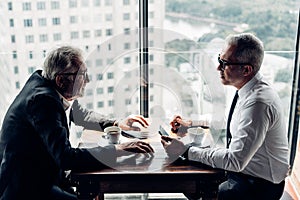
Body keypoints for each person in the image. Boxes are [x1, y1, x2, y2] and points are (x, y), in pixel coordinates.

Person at [0, 46, 154, 200]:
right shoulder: (43, 100)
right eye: (82, 74)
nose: (87, 80)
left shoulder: (48, 83)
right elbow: (67, 158)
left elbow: (80, 114)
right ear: (61, 80)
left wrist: (116, 123)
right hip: (26, 187)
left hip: (44, 175)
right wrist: (118, 149)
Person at [161, 33, 289, 200]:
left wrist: (186, 151)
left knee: (193, 185)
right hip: (245, 174)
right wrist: (191, 123)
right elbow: (231, 121)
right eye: (219, 60)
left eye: (225, 63)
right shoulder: (247, 89)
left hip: (258, 186)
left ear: (246, 69)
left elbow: (235, 160)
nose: (218, 68)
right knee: (193, 181)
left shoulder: (258, 103)